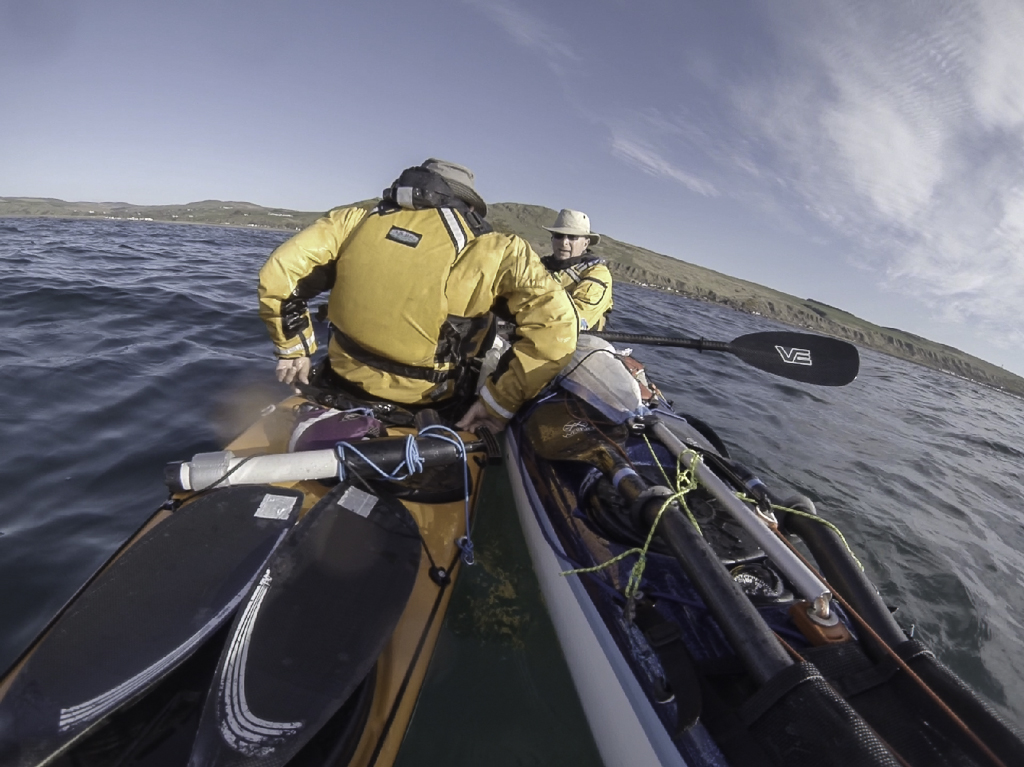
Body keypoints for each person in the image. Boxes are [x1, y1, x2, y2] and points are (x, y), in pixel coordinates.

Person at [257, 158, 578, 434]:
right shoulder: (498, 249)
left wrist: (293, 349)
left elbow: (279, 273)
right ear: (468, 205)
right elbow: (558, 327)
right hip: (435, 408)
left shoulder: (352, 222)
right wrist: (498, 403)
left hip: (338, 385)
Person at [541, 209, 613, 331]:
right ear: (552, 239)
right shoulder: (538, 266)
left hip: (576, 341)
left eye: (572, 237)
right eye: (559, 236)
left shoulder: (598, 274)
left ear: (586, 243)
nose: (564, 243)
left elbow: (576, 318)